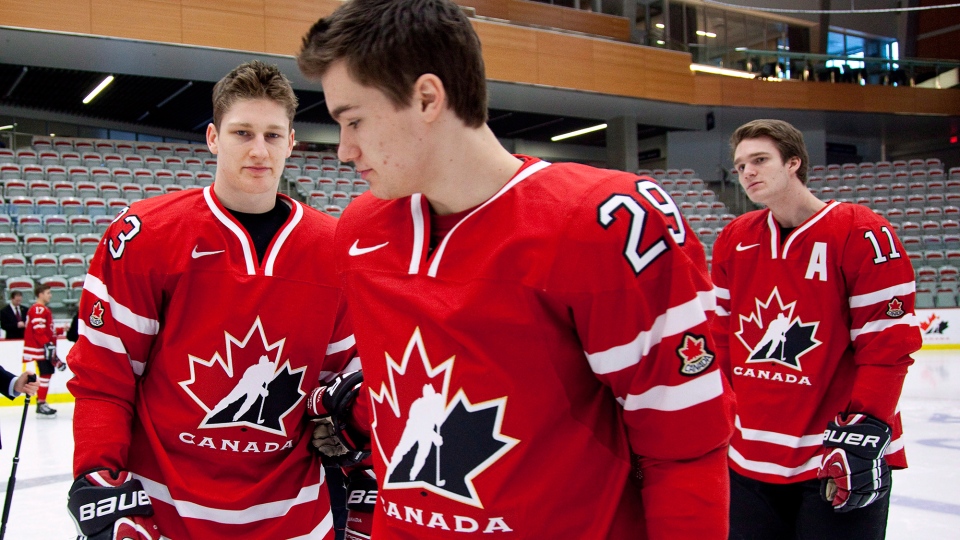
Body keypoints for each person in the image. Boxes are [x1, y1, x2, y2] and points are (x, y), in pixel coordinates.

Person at [296, 1, 736, 537]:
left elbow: (683, 448)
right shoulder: (361, 230)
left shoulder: (604, 224)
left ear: (428, 98)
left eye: (354, 120)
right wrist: (361, 409)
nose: (344, 150)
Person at [66, 60, 357, 540]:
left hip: (296, 517)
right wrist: (99, 477)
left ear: (291, 143)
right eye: (242, 133)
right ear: (213, 138)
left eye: (272, 135)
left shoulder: (336, 249)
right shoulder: (145, 237)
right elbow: (104, 378)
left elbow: (341, 389)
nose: (259, 150)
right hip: (163, 512)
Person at [712, 119, 922, 539]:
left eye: (759, 160)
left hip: (835, 455)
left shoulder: (861, 232)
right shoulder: (735, 238)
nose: (748, 172)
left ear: (794, 162)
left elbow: (887, 344)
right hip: (748, 457)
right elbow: (720, 340)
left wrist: (867, 429)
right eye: (740, 166)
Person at [23, 283, 62, 417]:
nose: (50, 295)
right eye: (48, 293)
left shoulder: (41, 309)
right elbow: (38, 330)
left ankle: (41, 403)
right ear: (40, 294)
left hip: (42, 348)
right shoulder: (39, 309)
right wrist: (47, 344)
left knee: (46, 375)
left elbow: (46, 329)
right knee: (45, 376)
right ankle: (41, 404)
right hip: (39, 349)